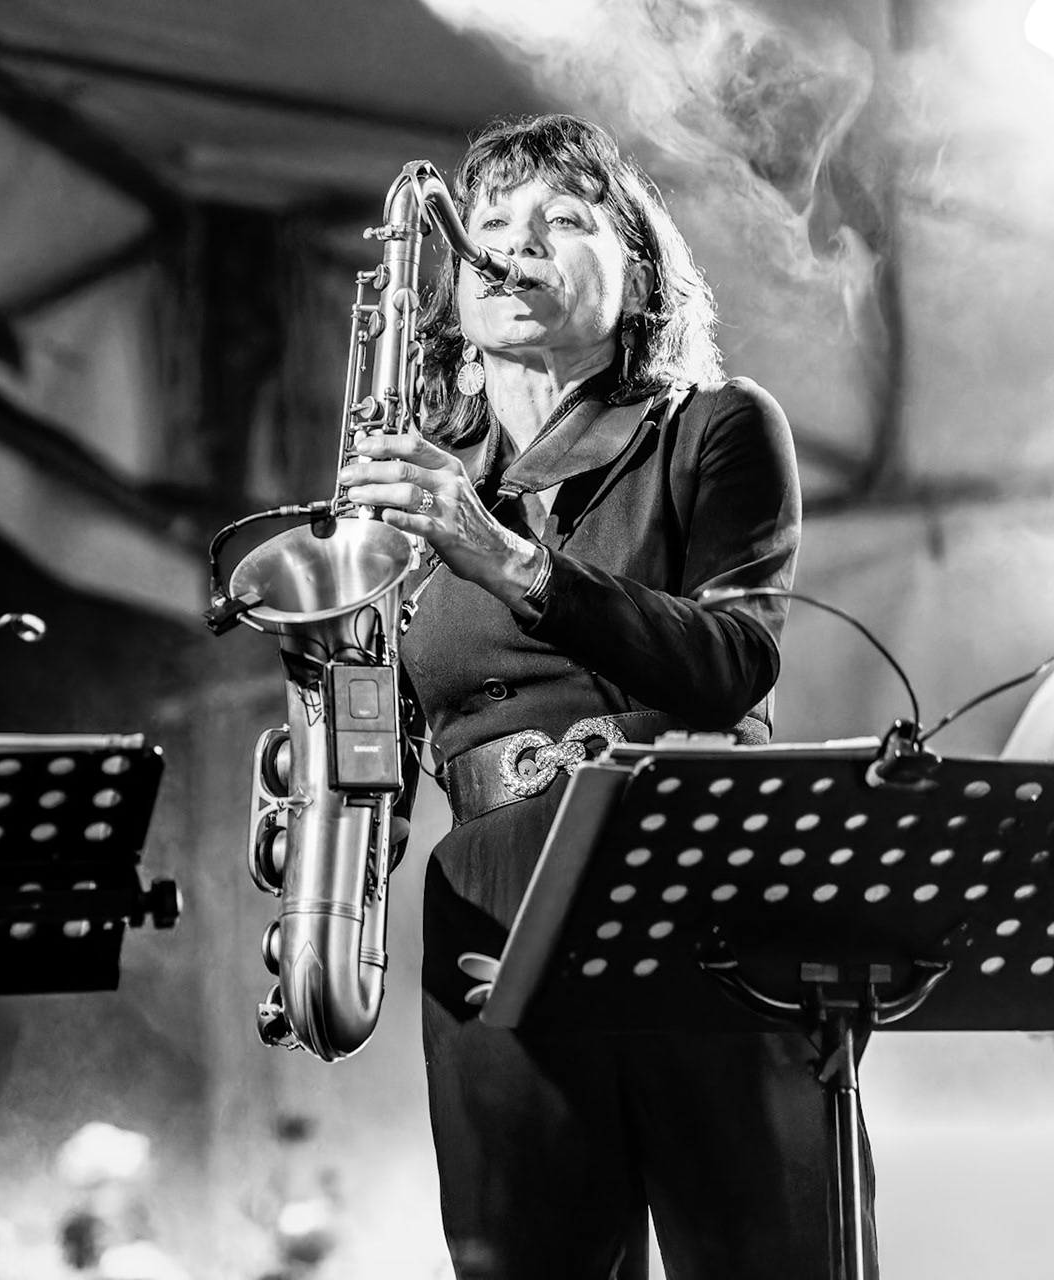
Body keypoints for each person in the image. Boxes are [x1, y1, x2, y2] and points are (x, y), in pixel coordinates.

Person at [337, 115, 863, 1278]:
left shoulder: (712, 428)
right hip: (491, 914)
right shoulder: (418, 497)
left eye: (563, 221)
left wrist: (513, 561)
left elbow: (734, 659)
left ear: (639, 277)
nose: (515, 246)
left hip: (703, 895)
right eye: (491, 227)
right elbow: (377, 739)